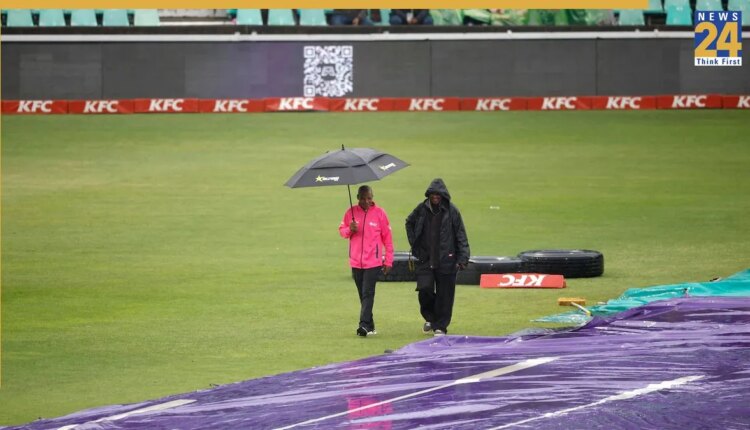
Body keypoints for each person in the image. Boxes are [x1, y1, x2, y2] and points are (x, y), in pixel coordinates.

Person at [405, 178, 470, 336]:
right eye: (433, 194)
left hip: (447, 259)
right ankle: (431, 317)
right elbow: (409, 222)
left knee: (445, 295)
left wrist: (463, 257)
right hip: (425, 258)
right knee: (424, 290)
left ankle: (440, 326)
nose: (435, 196)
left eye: (438, 194)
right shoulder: (421, 208)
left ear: (443, 195)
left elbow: (460, 234)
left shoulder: (452, 211)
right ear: (429, 195)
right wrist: (415, 245)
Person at [339, 185, 394, 337]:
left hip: (373, 262)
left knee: (367, 293)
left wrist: (388, 260)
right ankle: (370, 325)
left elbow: (387, 239)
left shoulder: (380, 213)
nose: (366, 201)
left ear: (372, 198)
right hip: (356, 262)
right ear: (357, 198)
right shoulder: (350, 213)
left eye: (369, 198)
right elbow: (342, 232)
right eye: (363, 198)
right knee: (362, 295)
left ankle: (363, 325)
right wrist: (350, 229)